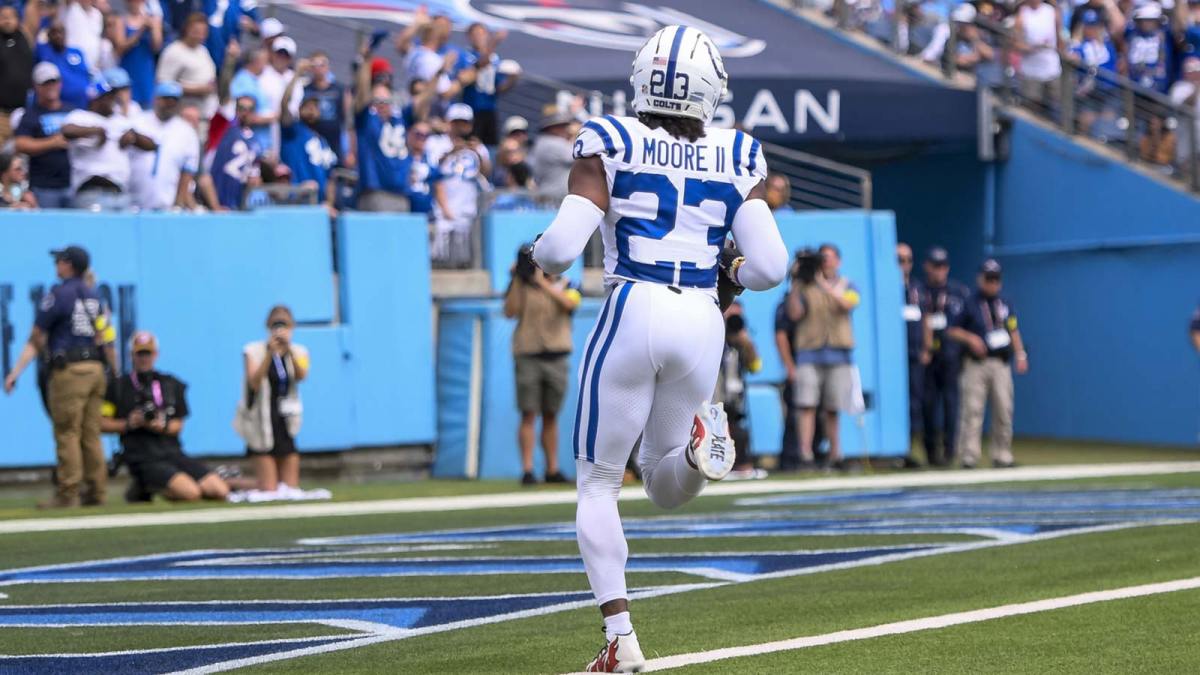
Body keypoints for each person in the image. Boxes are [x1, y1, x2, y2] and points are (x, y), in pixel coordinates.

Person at [530, 25, 788, 671]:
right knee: (667, 482)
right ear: (711, 89)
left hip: (634, 303)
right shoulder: (738, 152)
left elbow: (561, 251)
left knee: (597, 483)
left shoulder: (609, 137)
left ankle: (621, 637)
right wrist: (730, 275)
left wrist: (536, 251)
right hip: (702, 316)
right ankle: (702, 452)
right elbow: (771, 266)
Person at [4, 246, 109, 508]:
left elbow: (37, 335)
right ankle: (97, 491)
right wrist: (113, 370)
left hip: (70, 369)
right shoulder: (94, 295)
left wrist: (18, 371)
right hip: (96, 368)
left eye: (60, 261)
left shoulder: (59, 294)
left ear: (69, 265)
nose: (56, 266)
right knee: (91, 433)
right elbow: (105, 337)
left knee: (67, 432)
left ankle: (67, 493)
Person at [101, 331, 230, 503]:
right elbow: (102, 423)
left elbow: (179, 424)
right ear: (132, 355)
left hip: (172, 452)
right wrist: (129, 423)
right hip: (143, 457)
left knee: (219, 490)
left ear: (156, 354)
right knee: (191, 493)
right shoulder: (117, 387)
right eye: (140, 354)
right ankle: (144, 485)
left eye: (148, 353)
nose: (144, 358)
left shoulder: (170, 384)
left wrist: (161, 425)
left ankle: (152, 486)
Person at [503, 245, 580, 486]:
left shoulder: (568, 284)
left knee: (551, 414)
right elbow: (510, 311)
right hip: (529, 353)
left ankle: (552, 468)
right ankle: (527, 470)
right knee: (528, 412)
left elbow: (569, 305)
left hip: (556, 355)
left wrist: (542, 283)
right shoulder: (522, 285)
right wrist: (517, 278)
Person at [947, 259, 1029, 469]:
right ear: (980, 278)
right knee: (972, 410)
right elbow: (952, 330)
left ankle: (1002, 454)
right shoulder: (969, 302)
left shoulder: (1005, 303)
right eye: (988, 279)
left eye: (996, 279)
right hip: (976, 364)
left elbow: (1013, 329)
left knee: (1004, 409)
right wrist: (971, 339)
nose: (992, 284)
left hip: (1000, 363)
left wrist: (1020, 354)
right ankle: (968, 456)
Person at [786, 244, 861, 469]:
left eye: (828, 258)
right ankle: (805, 455)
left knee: (833, 407)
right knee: (806, 405)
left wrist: (823, 285)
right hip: (809, 352)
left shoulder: (848, 284)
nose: (825, 262)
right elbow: (794, 314)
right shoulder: (805, 286)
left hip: (839, 354)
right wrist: (797, 283)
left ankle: (835, 454)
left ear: (838, 261)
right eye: (822, 258)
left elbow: (847, 304)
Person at [238, 305, 310, 493]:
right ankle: (230, 483)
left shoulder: (299, 351)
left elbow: (302, 375)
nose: (279, 329)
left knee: (289, 488)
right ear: (267, 326)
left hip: (286, 421)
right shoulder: (253, 350)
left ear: (292, 326)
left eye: (284, 324)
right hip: (261, 421)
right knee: (269, 489)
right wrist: (270, 354)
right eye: (275, 324)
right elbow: (253, 382)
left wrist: (288, 351)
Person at [62, 80, 157, 210]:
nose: (113, 100)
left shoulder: (120, 121)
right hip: (91, 189)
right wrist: (96, 131)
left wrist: (134, 137)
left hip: (120, 191)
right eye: (107, 97)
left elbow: (151, 146)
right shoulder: (81, 116)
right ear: (95, 99)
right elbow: (67, 131)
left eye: (113, 96)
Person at [918, 246, 970, 467]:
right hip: (927, 357)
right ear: (927, 266)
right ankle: (931, 451)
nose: (939, 271)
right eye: (935, 266)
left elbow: (970, 323)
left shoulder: (959, 292)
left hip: (950, 356)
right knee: (927, 405)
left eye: (943, 267)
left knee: (951, 404)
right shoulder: (919, 291)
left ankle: (950, 451)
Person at [353, 36, 410, 211]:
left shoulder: (399, 118)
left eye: (386, 102)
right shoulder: (366, 118)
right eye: (378, 101)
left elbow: (421, 105)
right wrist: (366, 59)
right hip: (375, 192)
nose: (382, 105)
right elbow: (361, 95)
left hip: (401, 193)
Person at [431, 103, 487, 266]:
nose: (461, 127)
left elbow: (486, 173)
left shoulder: (477, 146)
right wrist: (452, 151)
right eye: (457, 122)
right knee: (441, 257)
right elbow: (432, 172)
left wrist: (477, 152)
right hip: (444, 208)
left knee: (467, 259)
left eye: (465, 122)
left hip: (469, 208)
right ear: (449, 122)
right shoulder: (437, 142)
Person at [131, 82, 200, 211]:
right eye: (166, 99)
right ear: (156, 99)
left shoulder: (186, 132)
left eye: (174, 100)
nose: (170, 104)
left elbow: (187, 172)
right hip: (131, 203)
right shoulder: (137, 122)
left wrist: (178, 204)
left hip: (166, 205)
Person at [279, 60, 337, 214]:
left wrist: (329, 203)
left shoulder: (323, 141)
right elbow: (284, 104)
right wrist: (297, 74)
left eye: (315, 107)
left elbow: (331, 177)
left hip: (319, 206)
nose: (312, 110)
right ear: (299, 109)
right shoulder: (293, 131)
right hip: (296, 201)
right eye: (307, 106)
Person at [15, 63, 75, 209]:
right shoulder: (30, 115)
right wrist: (52, 142)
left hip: (73, 183)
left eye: (53, 81)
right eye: (45, 83)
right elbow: (20, 144)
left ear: (60, 83)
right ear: (36, 86)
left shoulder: (73, 111)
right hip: (44, 186)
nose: (50, 86)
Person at [718, 301, 766, 480]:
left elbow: (755, 367)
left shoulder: (741, 341)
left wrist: (747, 344)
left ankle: (740, 465)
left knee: (738, 430)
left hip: (734, 397)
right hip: (715, 396)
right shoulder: (712, 335)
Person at [455, 22, 520, 145]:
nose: (479, 37)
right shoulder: (466, 56)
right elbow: (473, 70)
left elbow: (499, 88)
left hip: (490, 109)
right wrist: (493, 43)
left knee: (490, 147)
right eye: (475, 34)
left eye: (481, 34)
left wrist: (513, 79)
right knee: (471, 144)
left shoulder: (494, 59)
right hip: (472, 108)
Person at [898, 243, 931, 452]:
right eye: (900, 260)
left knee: (916, 402)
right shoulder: (886, 286)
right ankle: (898, 449)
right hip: (894, 356)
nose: (905, 264)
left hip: (915, 352)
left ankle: (910, 448)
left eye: (908, 260)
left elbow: (926, 317)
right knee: (898, 401)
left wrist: (927, 347)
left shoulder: (918, 289)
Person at [156, 13, 217, 117]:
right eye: (196, 31)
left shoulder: (203, 50)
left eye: (203, 32)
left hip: (205, 112)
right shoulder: (173, 51)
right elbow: (163, 83)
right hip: (183, 113)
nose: (200, 36)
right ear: (187, 29)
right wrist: (197, 90)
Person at [209, 94, 263, 210]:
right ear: (236, 110)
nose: (245, 113)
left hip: (238, 201)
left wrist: (254, 180)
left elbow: (254, 172)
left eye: (250, 110)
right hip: (217, 198)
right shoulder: (223, 130)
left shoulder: (256, 141)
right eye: (242, 108)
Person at [107, 0, 163, 108]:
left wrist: (153, 29)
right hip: (128, 70)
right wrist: (140, 31)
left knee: (147, 106)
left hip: (145, 72)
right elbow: (120, 47)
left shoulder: (151, 19)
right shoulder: (121, 20)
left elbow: (157, 47)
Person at [303, 50, 351, 167]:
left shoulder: (339, 89)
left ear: (328, 67)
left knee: (338, 173)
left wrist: (350, 150)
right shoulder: (305, 90)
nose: (319, 68)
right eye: (315, 65)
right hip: (314, 141)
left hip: (335, 141)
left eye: (322, 64)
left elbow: (349, 120)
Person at [1013, 0, 1062, 110]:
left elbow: (1059, 38)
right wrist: (1032, 48)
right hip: (1031, 72)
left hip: (1052, 69)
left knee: (1056, 106)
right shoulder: (1022, 13)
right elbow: (1016, 43)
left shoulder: (1052, 11)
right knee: (1032, 110)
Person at [35, 18, 92, 109]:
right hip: (60, 107)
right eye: (54, 32)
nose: (58, 36)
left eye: (61, 32)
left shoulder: (77, 52)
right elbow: (33, 32)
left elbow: (86, 76)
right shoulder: (44, 51)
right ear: (48, 35)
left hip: (83, 104)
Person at [0, 3, 34, 147]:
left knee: (21, 162)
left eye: (11, 17)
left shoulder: (25, 36)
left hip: (24, 113)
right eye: (2, 17)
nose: (7, 20)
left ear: (18, 19)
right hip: (2, 115)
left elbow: (33, 11)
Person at [529, 110, 575, 203]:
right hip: (555, 197)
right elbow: (581, 153)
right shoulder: (552, 143)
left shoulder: (542, 142)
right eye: (562, 126)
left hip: (550, 194)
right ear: (552, 128)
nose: (566, 129)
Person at [403, 120, 446, 216]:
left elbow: (438, 186)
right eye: (418, 134)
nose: (421, 138)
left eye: (426, 135)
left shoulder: (431, 159)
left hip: (427, 214)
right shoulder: (400, 157)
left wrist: (446, 212)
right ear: (409, 133)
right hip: (405, 213)